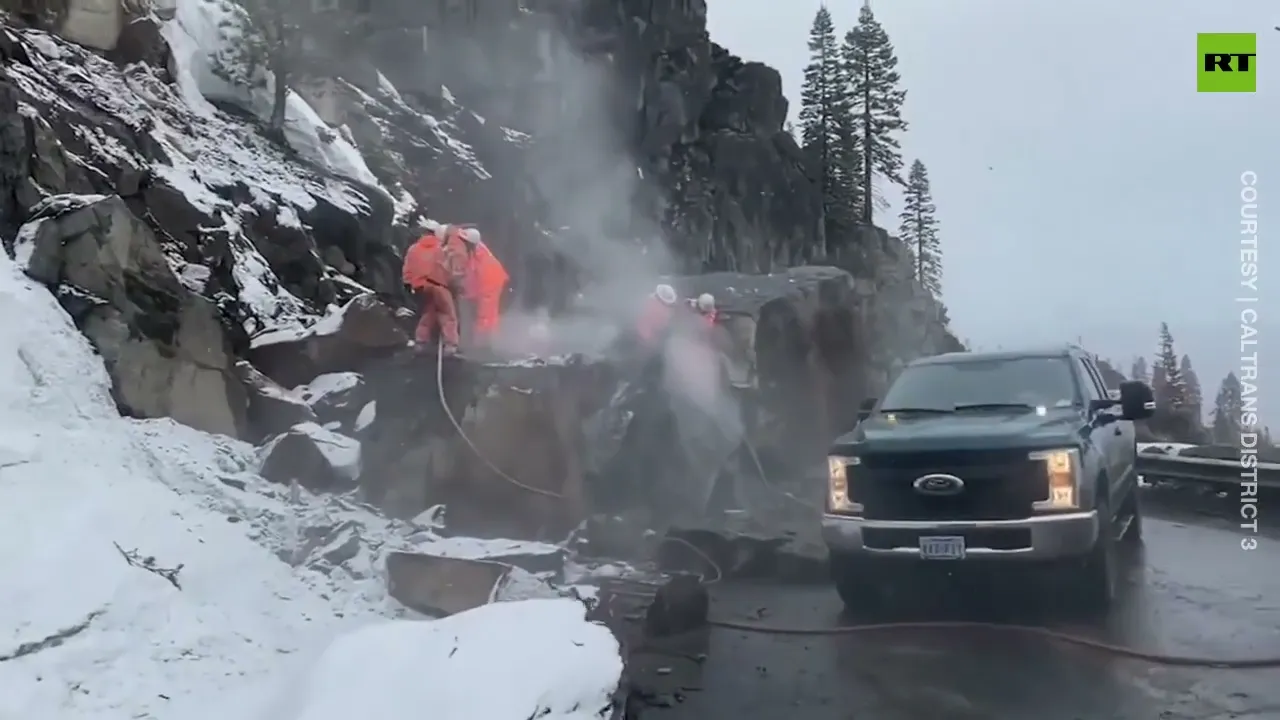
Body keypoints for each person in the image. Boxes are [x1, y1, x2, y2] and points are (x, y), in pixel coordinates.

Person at [401, 222, 468, 354]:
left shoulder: (413, 248)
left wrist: (410, 285)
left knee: (428, 314)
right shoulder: (442, 249)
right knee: (447, 315)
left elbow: (407, 271)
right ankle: (450, 346)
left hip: (421, 287)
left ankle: (421, 342)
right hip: (439, 286)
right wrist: (457, 287)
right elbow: (450, 272)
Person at [458, 227, 509, 346]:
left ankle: (483, 345)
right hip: (487, 282)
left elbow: (474, 277)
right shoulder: (475, 250)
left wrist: (466, 292)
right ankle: (478, 342)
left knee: (486, 315)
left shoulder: (481, 258)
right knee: (479, 313)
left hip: (490, 284)